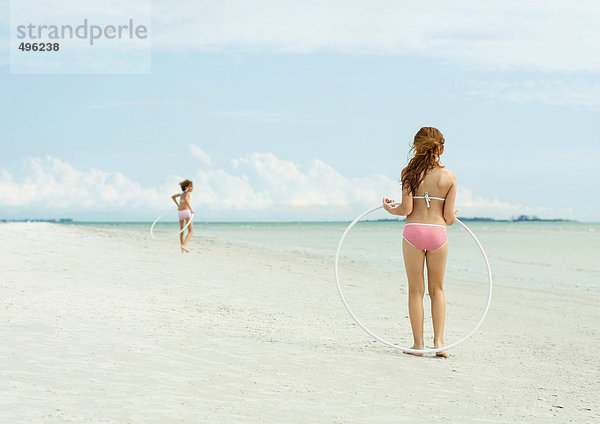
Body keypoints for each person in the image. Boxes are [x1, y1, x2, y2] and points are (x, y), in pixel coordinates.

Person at [382, 127, 458, 358]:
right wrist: (454, 216)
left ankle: (418, 346)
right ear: (441, 148)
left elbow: (406, 209)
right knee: (438, 289)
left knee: (416, 290)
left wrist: (389, 208)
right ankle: (440, 343)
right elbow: (448, 218)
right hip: (437, 232)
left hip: (414, 231)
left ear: (416, 147)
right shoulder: (450, 177)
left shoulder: (409, 173)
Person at [171, 179, 195, 253]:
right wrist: (191, 210)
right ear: (187, 187)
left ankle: (182, 249)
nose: (192, 188)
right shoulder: (187, 193)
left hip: (180, 212)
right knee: (191, 231)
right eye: (191, 186)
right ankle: (183, 245)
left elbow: (173, 197)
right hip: (186, 211)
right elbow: (186, 200)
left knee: (182, 231)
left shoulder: (181, 193)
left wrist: (178, 205)